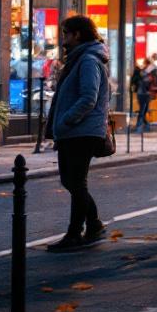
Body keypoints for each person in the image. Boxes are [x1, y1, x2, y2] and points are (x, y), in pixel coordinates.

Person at [43, 15, 111, 252]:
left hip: (81, 131)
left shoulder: (88, 60)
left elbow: (88, 97)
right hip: (76, 131)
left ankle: (77, 232)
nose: (63, 39)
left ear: (78, 35)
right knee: (72, 181)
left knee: (74, 181)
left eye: (66, 34)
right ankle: (92, 225)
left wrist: (65, 120)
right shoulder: (80, 59)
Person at [130, 57, 151, 131]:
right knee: (143, 110)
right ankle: (140, 126)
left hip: (143, 94)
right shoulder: (142, 73)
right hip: (143, 94)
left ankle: (144, 125)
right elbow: (146, 83)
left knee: (143, 110)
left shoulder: (142, 72)